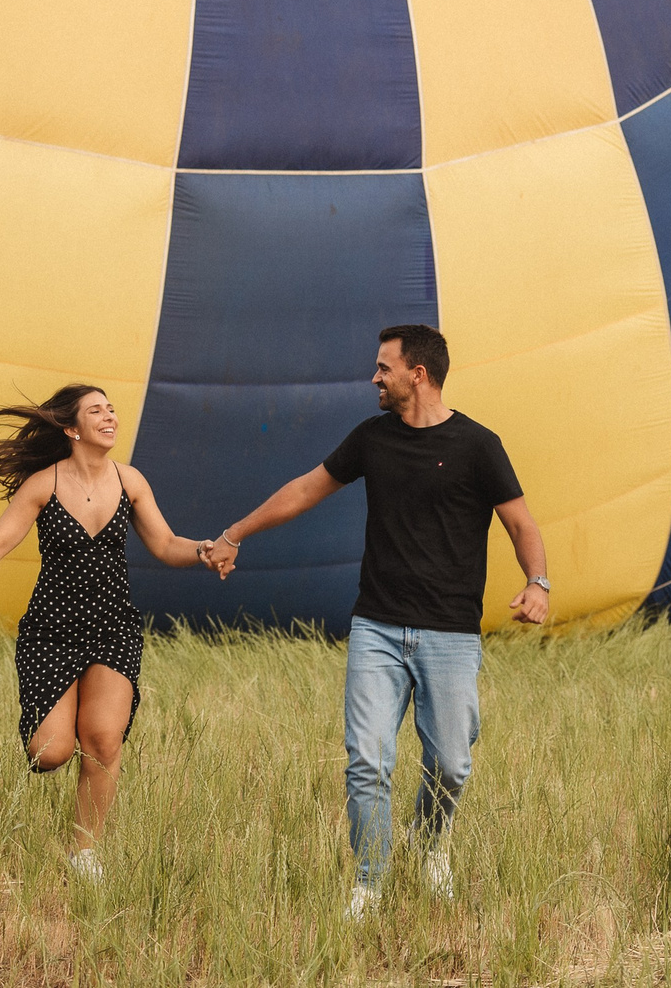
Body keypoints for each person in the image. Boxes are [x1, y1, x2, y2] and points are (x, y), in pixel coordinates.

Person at [203, 324, 549, 914]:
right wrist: (235, 532)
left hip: (450, 632)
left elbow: (521, 524)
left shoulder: (478, 445)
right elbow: (306, 490)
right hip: (378, 628)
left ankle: (429, 842)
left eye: (383, 367)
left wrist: (537, 583)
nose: (374, 378)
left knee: (450, 764)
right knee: (367, 759)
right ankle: (368, 881)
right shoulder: (372, 438)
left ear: (417, 373)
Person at [0, 383, 209, 881]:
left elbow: (166, 543)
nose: (109, 416)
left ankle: (84, 854)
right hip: (53, 629)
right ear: (71, 428)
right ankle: (42, 735)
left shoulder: (130, 481)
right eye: (96, 411)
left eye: (111, 408)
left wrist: (202, 549)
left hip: (113, 627)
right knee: (51, 753)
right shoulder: (44, 484)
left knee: (104, 740)